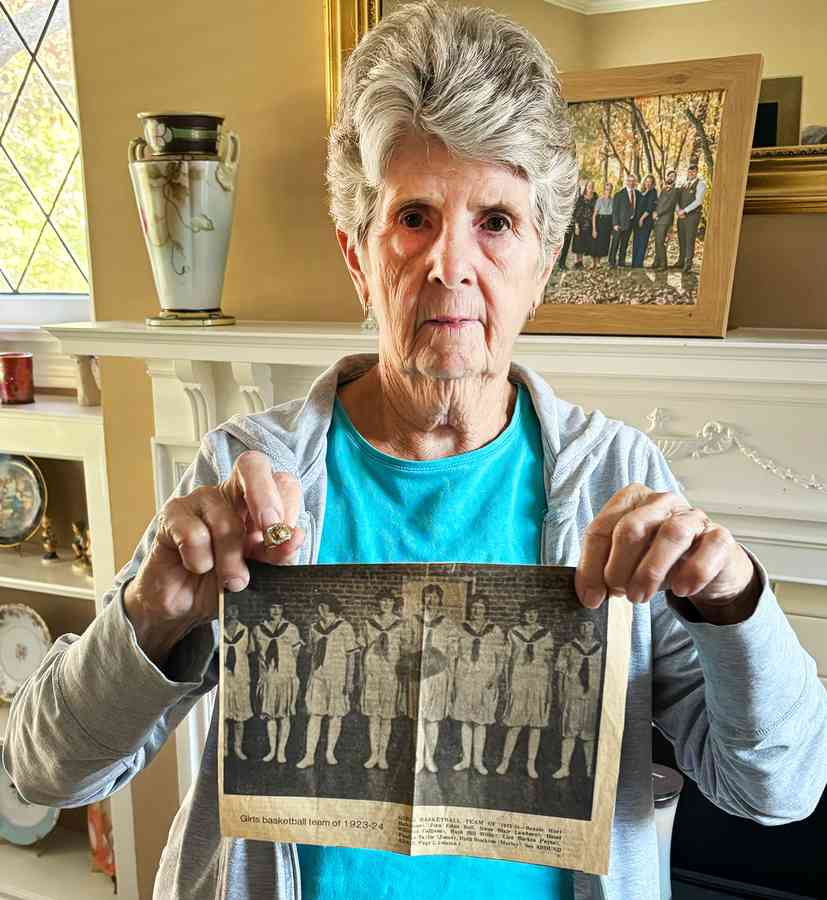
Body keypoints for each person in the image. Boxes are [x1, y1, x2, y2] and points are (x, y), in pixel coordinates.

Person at [4, 4, 825, 900]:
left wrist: (733, 598)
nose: (450, 265)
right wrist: (152, 613)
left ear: (542, 262)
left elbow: (776, 789)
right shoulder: (250, 471)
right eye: (414, 217)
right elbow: (44, 770)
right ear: (357, 255)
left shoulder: (614, 480)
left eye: (497, 222)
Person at [297, 593, 358, 768]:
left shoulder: (345, 627)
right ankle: (309, 756)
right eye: (319, 606)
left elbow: (351, 656)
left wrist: (349, 681)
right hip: (318, 677)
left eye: (323, 606)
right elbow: (313, 656)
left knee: (335, 715)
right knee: (315, 715)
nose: (320, 609)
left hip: (337, 677)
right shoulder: (314, 628)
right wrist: (310, 677)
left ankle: (329, 753)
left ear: (331, 608)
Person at [497, 600, 554, 780]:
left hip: (538, 681)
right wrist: (508, 684)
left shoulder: (545, 634)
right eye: (527, 613)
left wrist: (548, 687)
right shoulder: (514, 633)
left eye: (534, 613)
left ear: (538, 615)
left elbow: (549, 662)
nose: (530, 616)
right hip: (519, 681)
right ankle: (504, 761)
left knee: (535, 725)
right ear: (523, 614)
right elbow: (508, 661)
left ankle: (531, 764)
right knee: (515, 724)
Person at [403, 583, 457, 774]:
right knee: (419, 718)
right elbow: (405, 646)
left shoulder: (448, 624)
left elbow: (453, 653)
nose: (431, 600)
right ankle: (418, 759)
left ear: (440, 600)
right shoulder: (413, 621)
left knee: (433, 719)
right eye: (427, 596)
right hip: (419, 674)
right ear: (423, 599)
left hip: (438, 675)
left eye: (434, 596)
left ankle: (429, 758)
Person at [450, 595, 505, 774]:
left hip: (485, 679)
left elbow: (500, 658)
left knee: (480, 721)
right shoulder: (460, 629)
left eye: (480, 608)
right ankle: (465, 760)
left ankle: (478, 761)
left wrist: (495, 677)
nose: (476, 611)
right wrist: (453, 680)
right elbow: (454, 656)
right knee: (466, 720)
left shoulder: (494, 630)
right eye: (474, 607)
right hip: (464, 677)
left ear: (485, 610)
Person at [552, 617, 603, 780]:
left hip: (592, 695)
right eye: (582, 625)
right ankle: (564, 767)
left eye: (589, 625)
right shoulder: (568, 648)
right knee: (569, 731)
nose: (585, 628)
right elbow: (560, 673)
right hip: (572, 693)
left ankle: (589, 769)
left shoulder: (601, 649)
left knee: (589, 733)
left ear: (594, 627)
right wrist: (560, 694)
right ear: (578, 628)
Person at [252, 600, 302, 763]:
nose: (275, 610)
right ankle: (272, 750)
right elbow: (255, 653)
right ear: (268, 609)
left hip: (285, 677)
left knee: (284, 715)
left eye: (279, 607)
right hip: (267, 678)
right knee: (270, 716)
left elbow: (296, 654)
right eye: (272, 607)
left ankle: (281, 751)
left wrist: (288, 671)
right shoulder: (258, 630)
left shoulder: (292, 629)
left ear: (283, 609)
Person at [360, 589, 405, 770]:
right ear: (378, 603)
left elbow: (405, 649)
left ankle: (383, 755)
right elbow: (361, 646)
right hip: (372, 672)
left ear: (393, 604)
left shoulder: (401, 624)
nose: (385, 604)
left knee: (387, 716)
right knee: (373, 716)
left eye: (389, 601)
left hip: (390, 673)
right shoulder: (369, 623)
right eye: (382, 601)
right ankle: (373, 754)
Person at [223, 602, 253, 760]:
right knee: (225, 715)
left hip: (240, 676)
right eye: (230, 608)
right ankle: (225, 748)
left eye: (236, 609)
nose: (233, 612)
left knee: (240, 716)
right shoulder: (220, 629)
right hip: (225, 676)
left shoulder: (245, 630)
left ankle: (237, 748)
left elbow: (249, 651)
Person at [676, 161, 706, 273]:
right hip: (681, 215)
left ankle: (688, 264)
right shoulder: (683, 184)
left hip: (692, 216)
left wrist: (685, 210)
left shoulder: (700, 184)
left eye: (693, 172)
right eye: (689, 172)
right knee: (681, 238)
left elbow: (698, 201)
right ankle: (680, 261)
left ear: (696, 172)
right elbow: (677, 199)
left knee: (689, 239)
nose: (691, 174)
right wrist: (678, 210)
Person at [608, 173, 639, 267]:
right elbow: (615, 211)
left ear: (635, 182)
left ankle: (622, 261)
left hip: (631, 223)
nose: (631, 183)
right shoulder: (619, 194)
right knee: (615, 243)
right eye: (629, 181)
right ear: (626, 182)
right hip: (619, 223)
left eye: (633, 181)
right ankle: (612, 261)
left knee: (625, 243)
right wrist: (615, 224)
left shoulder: (637, 193)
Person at [652, 169, 679, 270]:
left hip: (665, 219)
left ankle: (663, 264)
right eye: (670, 176)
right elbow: (658, 203)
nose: (671, 178)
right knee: (657, 241)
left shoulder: (675, 191)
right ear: (667, 177)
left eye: (673, 176)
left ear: (675, 179)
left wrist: (658, 213)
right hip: (658, 219)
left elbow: (669, 205)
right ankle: (657, 262)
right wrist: (655, 212)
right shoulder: (663, 190)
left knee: (660, 242)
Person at [631, 174, 657, 268]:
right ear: (644, 182)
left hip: (646, 221)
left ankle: (638, 264)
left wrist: (642, 219)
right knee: (636, 242)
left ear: (653, 183)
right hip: (636, 221)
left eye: (650, 182)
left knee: (642, 242)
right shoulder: (639, 192)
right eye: (647, 181)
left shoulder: (653, 192)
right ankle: (634, 263)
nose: (648, 183)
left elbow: (650, 207)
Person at [571, 180, 596, 269]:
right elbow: (576, 212)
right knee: (578, 243)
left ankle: (585, 262)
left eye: (592, 186)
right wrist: (576, 225)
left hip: (590, 224)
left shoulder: (596, 197)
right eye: (589, 186)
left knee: (587, 243)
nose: (591, 188)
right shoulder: (581, 198)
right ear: (586, 187)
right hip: (580, 224)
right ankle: (577, 262)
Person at [591, 181, 614, 265]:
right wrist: (594, 229)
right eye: (607, 189)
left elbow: (613, 215)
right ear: (604, 190)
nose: (608, 191)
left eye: (610, 189)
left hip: (608, 223)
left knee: (604, 243)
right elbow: (594, 215)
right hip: (600, 222)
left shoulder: (613, 200)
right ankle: (595, 262)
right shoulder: (599, 200)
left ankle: (598, 262)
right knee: (597, 242)